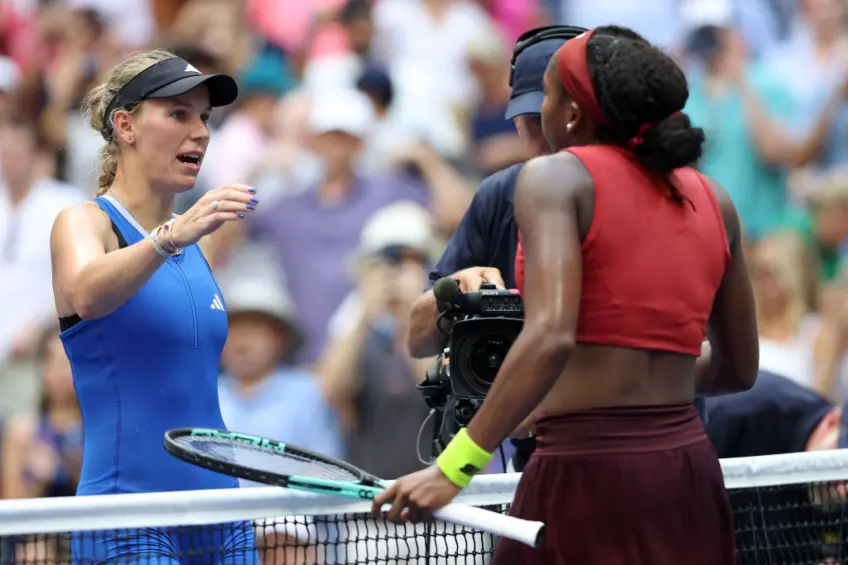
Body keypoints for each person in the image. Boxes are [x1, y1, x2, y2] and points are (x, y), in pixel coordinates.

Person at [375, 27, 759, 564]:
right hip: (689, 474)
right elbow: (740, 370)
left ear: (573, 113)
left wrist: (453, 467)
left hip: (585, 473)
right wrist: (639, 387)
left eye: (548, 99)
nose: (534, 123)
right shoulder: (715, 199)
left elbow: (550, 336)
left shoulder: (555, 178)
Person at [49, 48, 258, 565]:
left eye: (205, 118)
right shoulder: (84, 222)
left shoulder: (200, 244)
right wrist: (169, 237)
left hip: (224, 517)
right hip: (127, 518)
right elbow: (85, 294)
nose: (201, 132)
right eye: (179, 114)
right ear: (126, 125)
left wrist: (180, 237)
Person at [406, 24, 588, 472]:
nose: (542, 136)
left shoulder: (642, 197)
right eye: (528, 122)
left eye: (560, 120)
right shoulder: (500, 194)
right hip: (533, 466)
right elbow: (416, 337)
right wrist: (455, 291)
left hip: (632, 456)